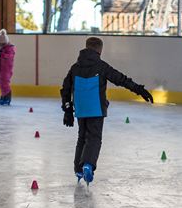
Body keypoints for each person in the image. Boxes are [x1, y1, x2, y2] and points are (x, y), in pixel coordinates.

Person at [61, 36, 153, 184]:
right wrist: (140, 90)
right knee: (94, 137)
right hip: (96, 108)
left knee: (82, 137)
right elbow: (121, 79)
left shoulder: (75, 68)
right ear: (100, 50)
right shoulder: (101, 66)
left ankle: (78, 170)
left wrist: (67, 109)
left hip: (81, 108)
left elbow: (65, 88)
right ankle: (88, 164)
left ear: (86, 47)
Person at [0, 29, 16, 106]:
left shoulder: (10, 48)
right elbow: (0, 55)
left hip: (7, 69)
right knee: (0, 83)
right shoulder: (3, 48)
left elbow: (9, 56)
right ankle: (3, 96)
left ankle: (7, 98)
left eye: (1, 44)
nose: (0, 46)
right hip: (2, 68)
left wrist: (1, 54)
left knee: (5, 83)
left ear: (5, 42)